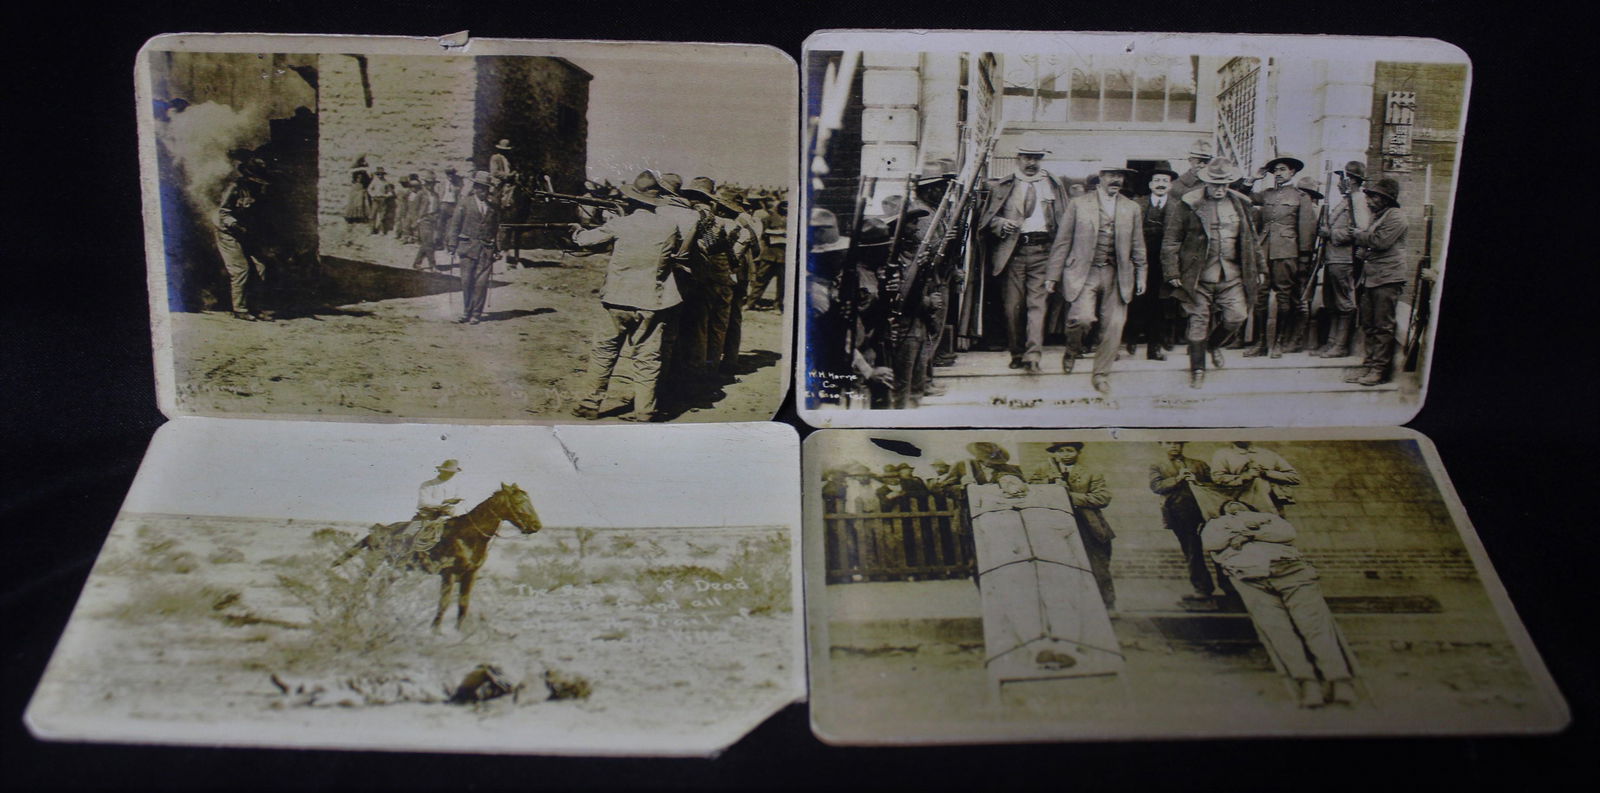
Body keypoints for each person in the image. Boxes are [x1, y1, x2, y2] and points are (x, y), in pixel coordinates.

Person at [568, 170, 701, 422]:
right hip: (654, 300)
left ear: (632, 199)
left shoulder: (621, 223)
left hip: (617, 299)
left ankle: (590, 403)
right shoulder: (669, 226)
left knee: (604, 352)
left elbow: (585, 241)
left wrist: (576, 231)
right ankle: (645, 411)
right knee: (648, 358)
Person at [1202, 500, 1357, 708]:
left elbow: (1287, 534)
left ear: (1250, 507)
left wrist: (1250, 535)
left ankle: (1339, 681)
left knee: (1314, 625)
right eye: (1228, 505)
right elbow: (1212, 544)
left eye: (1238, 503)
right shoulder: (1216, 524)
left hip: (1291, 571)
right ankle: (1307, 682)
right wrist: (1236, 534)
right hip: (1249, 577)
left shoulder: (1269, 518)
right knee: (1277, 630)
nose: (1233, 506)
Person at [1160, 157, 1265, 389]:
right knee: (1198, 322)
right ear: (1206, 182)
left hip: (1232, 275)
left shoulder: (1240, 203)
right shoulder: (1189, 203)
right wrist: (1171, 271)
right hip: (1198, 276)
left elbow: (1251, 240)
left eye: (1224, 184)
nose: (1220, 189)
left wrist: (1259, 268)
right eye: (1215, 184)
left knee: (1237, 316)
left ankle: (1213, 345)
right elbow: (1171, 240)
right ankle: (1197, 368)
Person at [1045, 164, 1148, 395]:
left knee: (1114, 326)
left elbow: (1138, 246)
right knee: (1082, 318)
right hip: (1085, 270)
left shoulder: (1131, 208)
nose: (1116, 180)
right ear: (1100, 177)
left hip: (1117, 272)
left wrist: (1141, 274)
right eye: (1112, 175)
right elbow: (1062, 242)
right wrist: (1052, 275)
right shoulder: (1079, 204)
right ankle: (1072, 349)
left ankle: (1101, 375)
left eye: (1120, 176)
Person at [978, 135, 1069, 373]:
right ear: (1018, 158)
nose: (1032, 163)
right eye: (1028, 157)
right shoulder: (1003, 185)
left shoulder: (1054, 185)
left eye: (1037, 158)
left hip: (1044, 252)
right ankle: (1017, 352)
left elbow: (1066, 220)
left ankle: (1033, 356)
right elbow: (986, 219)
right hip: (1013, 254)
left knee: (1037, 306)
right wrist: (1000, 224)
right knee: (1013, 309)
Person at [1245, 155, 1318, 357]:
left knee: (1283, 297)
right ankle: (1261, 344)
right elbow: (1241, 196)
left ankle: (1279, 342)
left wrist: (1304, 258)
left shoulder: (1301, 197)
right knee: (1260, 297)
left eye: (1282, 169)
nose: (1278, 173)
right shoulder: (1266, 194)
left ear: (1292, 172)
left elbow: (1306, 230)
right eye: (1275, 170)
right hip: (1263, 251)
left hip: (1286, 253)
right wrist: (1253, 179)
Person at [1027, 442, 1116, 609]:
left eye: (1070, 450)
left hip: (1087, 525)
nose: (1065, 454)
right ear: (1054, 454)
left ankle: (1106, 605)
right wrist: (1052, 487)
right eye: (1060, 451)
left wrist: (1069, 495)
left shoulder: (1091, 473)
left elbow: (1102, 498)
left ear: (1078, 452)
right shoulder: (1042, 470)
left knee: (1097, 567)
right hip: (1054, 525)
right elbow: (1031, 492)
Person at [1345, 177, 1410, 387]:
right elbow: (1372, 244)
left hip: (1388, 278)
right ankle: (1369, 366)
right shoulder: (1378, 216)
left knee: (1383, 326)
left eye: (1373, 197)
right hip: (1372, 277)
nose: (1368, 200)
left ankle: (1378, 371)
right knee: (1369, 324)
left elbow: (1380, 242)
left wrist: (1358, 236)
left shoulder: (1397, 217)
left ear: (1385, 199)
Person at [1148, 441, 1216, 602]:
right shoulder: (1157, 466)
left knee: (1218, 547)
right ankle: (1202, 588)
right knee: (1192, 551)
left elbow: (1214, 486)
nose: (1174, 446)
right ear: (1162, 445)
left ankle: (1230, 589)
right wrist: (1177, 479)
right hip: (1179, 514)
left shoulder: (1199, 464)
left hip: (1206, 511)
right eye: (1169, 443)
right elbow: (1156, 486)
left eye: (1177, 443)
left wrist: (1197, 481)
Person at [1313, 161, 1367, 358]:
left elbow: (1360, 231)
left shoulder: (1359, 200)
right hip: (1332, 258)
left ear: (1351, 180)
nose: (1338, 183)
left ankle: (1341, 345)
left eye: (1342, 178)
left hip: (1344, 259)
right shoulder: (1347, 200)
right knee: (1332, 302)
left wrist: (1331, 233)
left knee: (1344, 303)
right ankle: (1332, 342)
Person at [1130, 167, 1181, 360]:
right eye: (1157, 180)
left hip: (1165, 264)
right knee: (1136, 301)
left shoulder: (1178, 206)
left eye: (1165, 181)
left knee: (1161, 304)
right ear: (1150, 184)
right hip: (1140, 261)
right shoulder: (1137, 204)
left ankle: (1155, 347)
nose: (1161, 184)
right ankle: (1131, 338)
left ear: (1170, 185)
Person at [215, 157, 274, 321]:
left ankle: (255, 308)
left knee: (260, 267)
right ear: (247, 177)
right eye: (255, 179)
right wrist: (236, 226)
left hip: (248, 234)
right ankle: (239, 309)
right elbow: (223, 214)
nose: (258, 183)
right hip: (229, 233)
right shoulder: (234, 189)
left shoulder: (260, 191)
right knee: (241, 269)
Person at [445, 171, 500, 325]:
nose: (483, 191)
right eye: (480, 188)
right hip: (467, 247)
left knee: (481, 283)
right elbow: (455, 224)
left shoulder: (493, 207)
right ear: (475, 188)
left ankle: (476, 313)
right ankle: (466, 311)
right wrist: (452, 244)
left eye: (486, 189)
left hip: (486, 249)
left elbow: (497, 228)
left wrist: (498, 248)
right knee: (466, 281)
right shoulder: (464, 203)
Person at [1210, 441, 1302, 516]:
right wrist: (1245, 476)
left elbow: (1294, 477)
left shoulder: (1267, 454)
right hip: (1240, 506)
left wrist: (1266, 473)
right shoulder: (1222, 454)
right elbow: (1217, 478)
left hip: (1271, 505)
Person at [411, 170, 442, 271]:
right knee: (429, 243)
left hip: (433, 220)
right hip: (423, 219)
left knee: (426, 243)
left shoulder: (436, 195)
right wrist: (416, 221)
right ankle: (433, 265)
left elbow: (438, 208)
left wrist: (437, 217)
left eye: (432, 183)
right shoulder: (421, 193)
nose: (430, 185)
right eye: (428, 183)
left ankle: (416, 263)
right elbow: (414, 208)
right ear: (425, 183)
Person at [437, 166, 462, 252]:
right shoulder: (442, 183)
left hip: (452, 206)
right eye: (449, 175)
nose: (450, 177)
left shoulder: (457, 184)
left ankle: (447, 245)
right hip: (443, 204)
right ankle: (439, 244)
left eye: (452, 175)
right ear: (446, 175)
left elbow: (459, 196)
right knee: (440, 226)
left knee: (450, 227)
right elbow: (439, 195)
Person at [367, 166, 396, 236]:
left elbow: (390, 192)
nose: (380, 175)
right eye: (378, 174)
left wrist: (386, 195)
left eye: (381, 174)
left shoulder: (386, 182)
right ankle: (372, 230)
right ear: (376, 174)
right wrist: (373, 195)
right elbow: (369, 189)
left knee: (382, 216)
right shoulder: (374, 181)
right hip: (376, 199)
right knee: (372, 215)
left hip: (383, 200)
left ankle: (382, 231)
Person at [343, 155, 371, 224]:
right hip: (356, 188)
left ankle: (360, 217)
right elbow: (350, 171)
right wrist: (362, 169)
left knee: (360, 203)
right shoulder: (355, 169)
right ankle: (352, 217)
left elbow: (369, 175)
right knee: (354, 203)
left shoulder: (364, 170)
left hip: (361, 187)